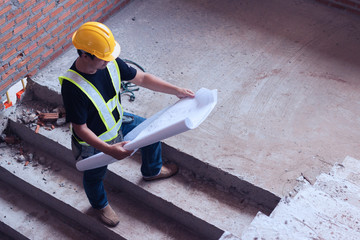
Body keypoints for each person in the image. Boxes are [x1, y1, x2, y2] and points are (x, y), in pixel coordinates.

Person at [59, 22, 195, 227]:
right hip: (95, 142)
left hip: (119, 122)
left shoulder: (109, 61)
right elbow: (81, 128)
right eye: (103, 58)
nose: (109, 60)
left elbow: (142, 78)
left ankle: (152, 170)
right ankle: (100, 205)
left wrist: (176, 90)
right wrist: (108, 149)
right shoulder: (73, 87)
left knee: (152, 131)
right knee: (95, 176)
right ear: (85, 55)